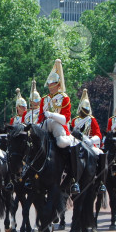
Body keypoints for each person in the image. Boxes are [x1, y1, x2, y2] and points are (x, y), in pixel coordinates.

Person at [37, 59, 81, 193]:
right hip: (45, 124)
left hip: (59, 126)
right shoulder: (44, 99)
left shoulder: (64, 98)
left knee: (64, 143)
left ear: (58, 84)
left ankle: (73, 178)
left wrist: (51, 114)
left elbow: (65, 118)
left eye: (53, 84)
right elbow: (40, 117)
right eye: (49, 83)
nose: (50, 86)